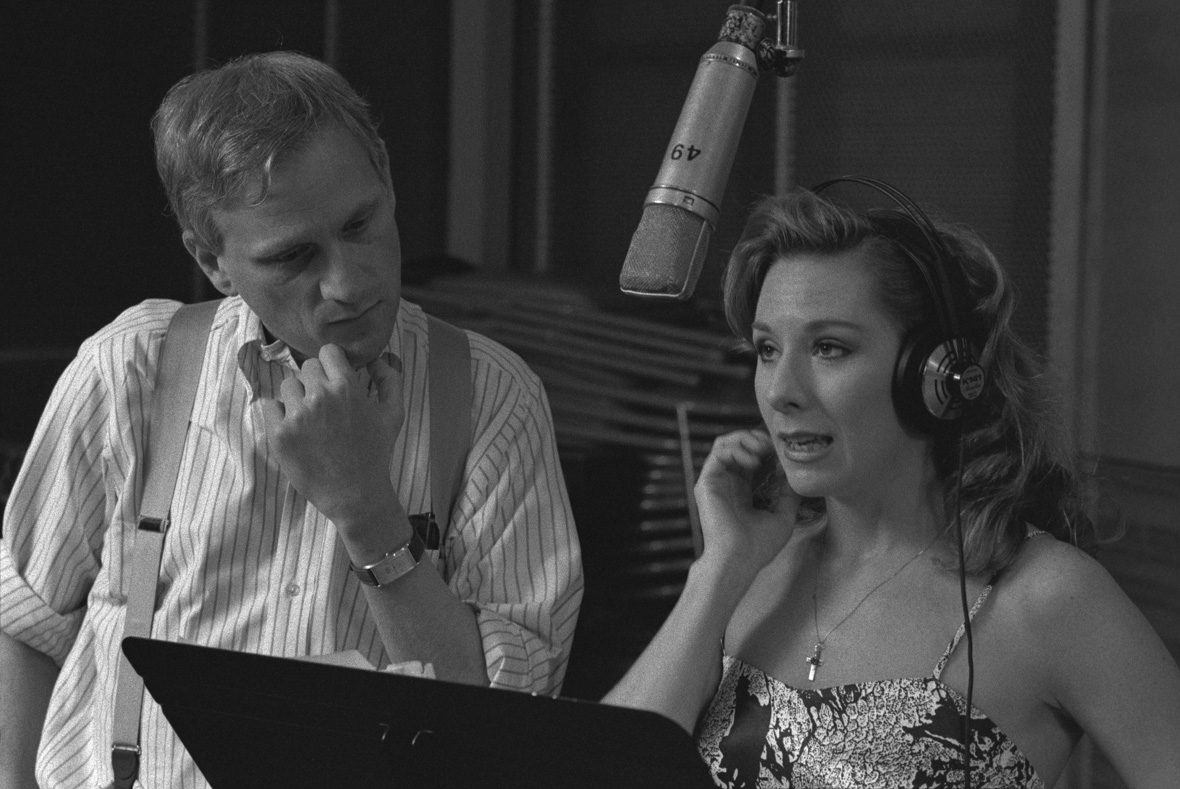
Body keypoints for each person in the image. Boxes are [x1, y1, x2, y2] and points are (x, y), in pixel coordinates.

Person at [0, 51, 582, 788]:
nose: (347, 281)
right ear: (213, 262)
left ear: (389, 181)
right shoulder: (131, 373)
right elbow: (24, 628)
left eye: (361, 223)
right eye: (293, 257)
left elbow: (513, 726)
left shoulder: (492, 399)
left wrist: (367, 509)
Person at [603, 186, 1180, 788]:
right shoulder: (754, 570)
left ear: (937, 375)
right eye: (768, 349)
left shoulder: (1046, 595)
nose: (781, 390)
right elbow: (599, 776)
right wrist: (719, 571)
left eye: (829, 348)